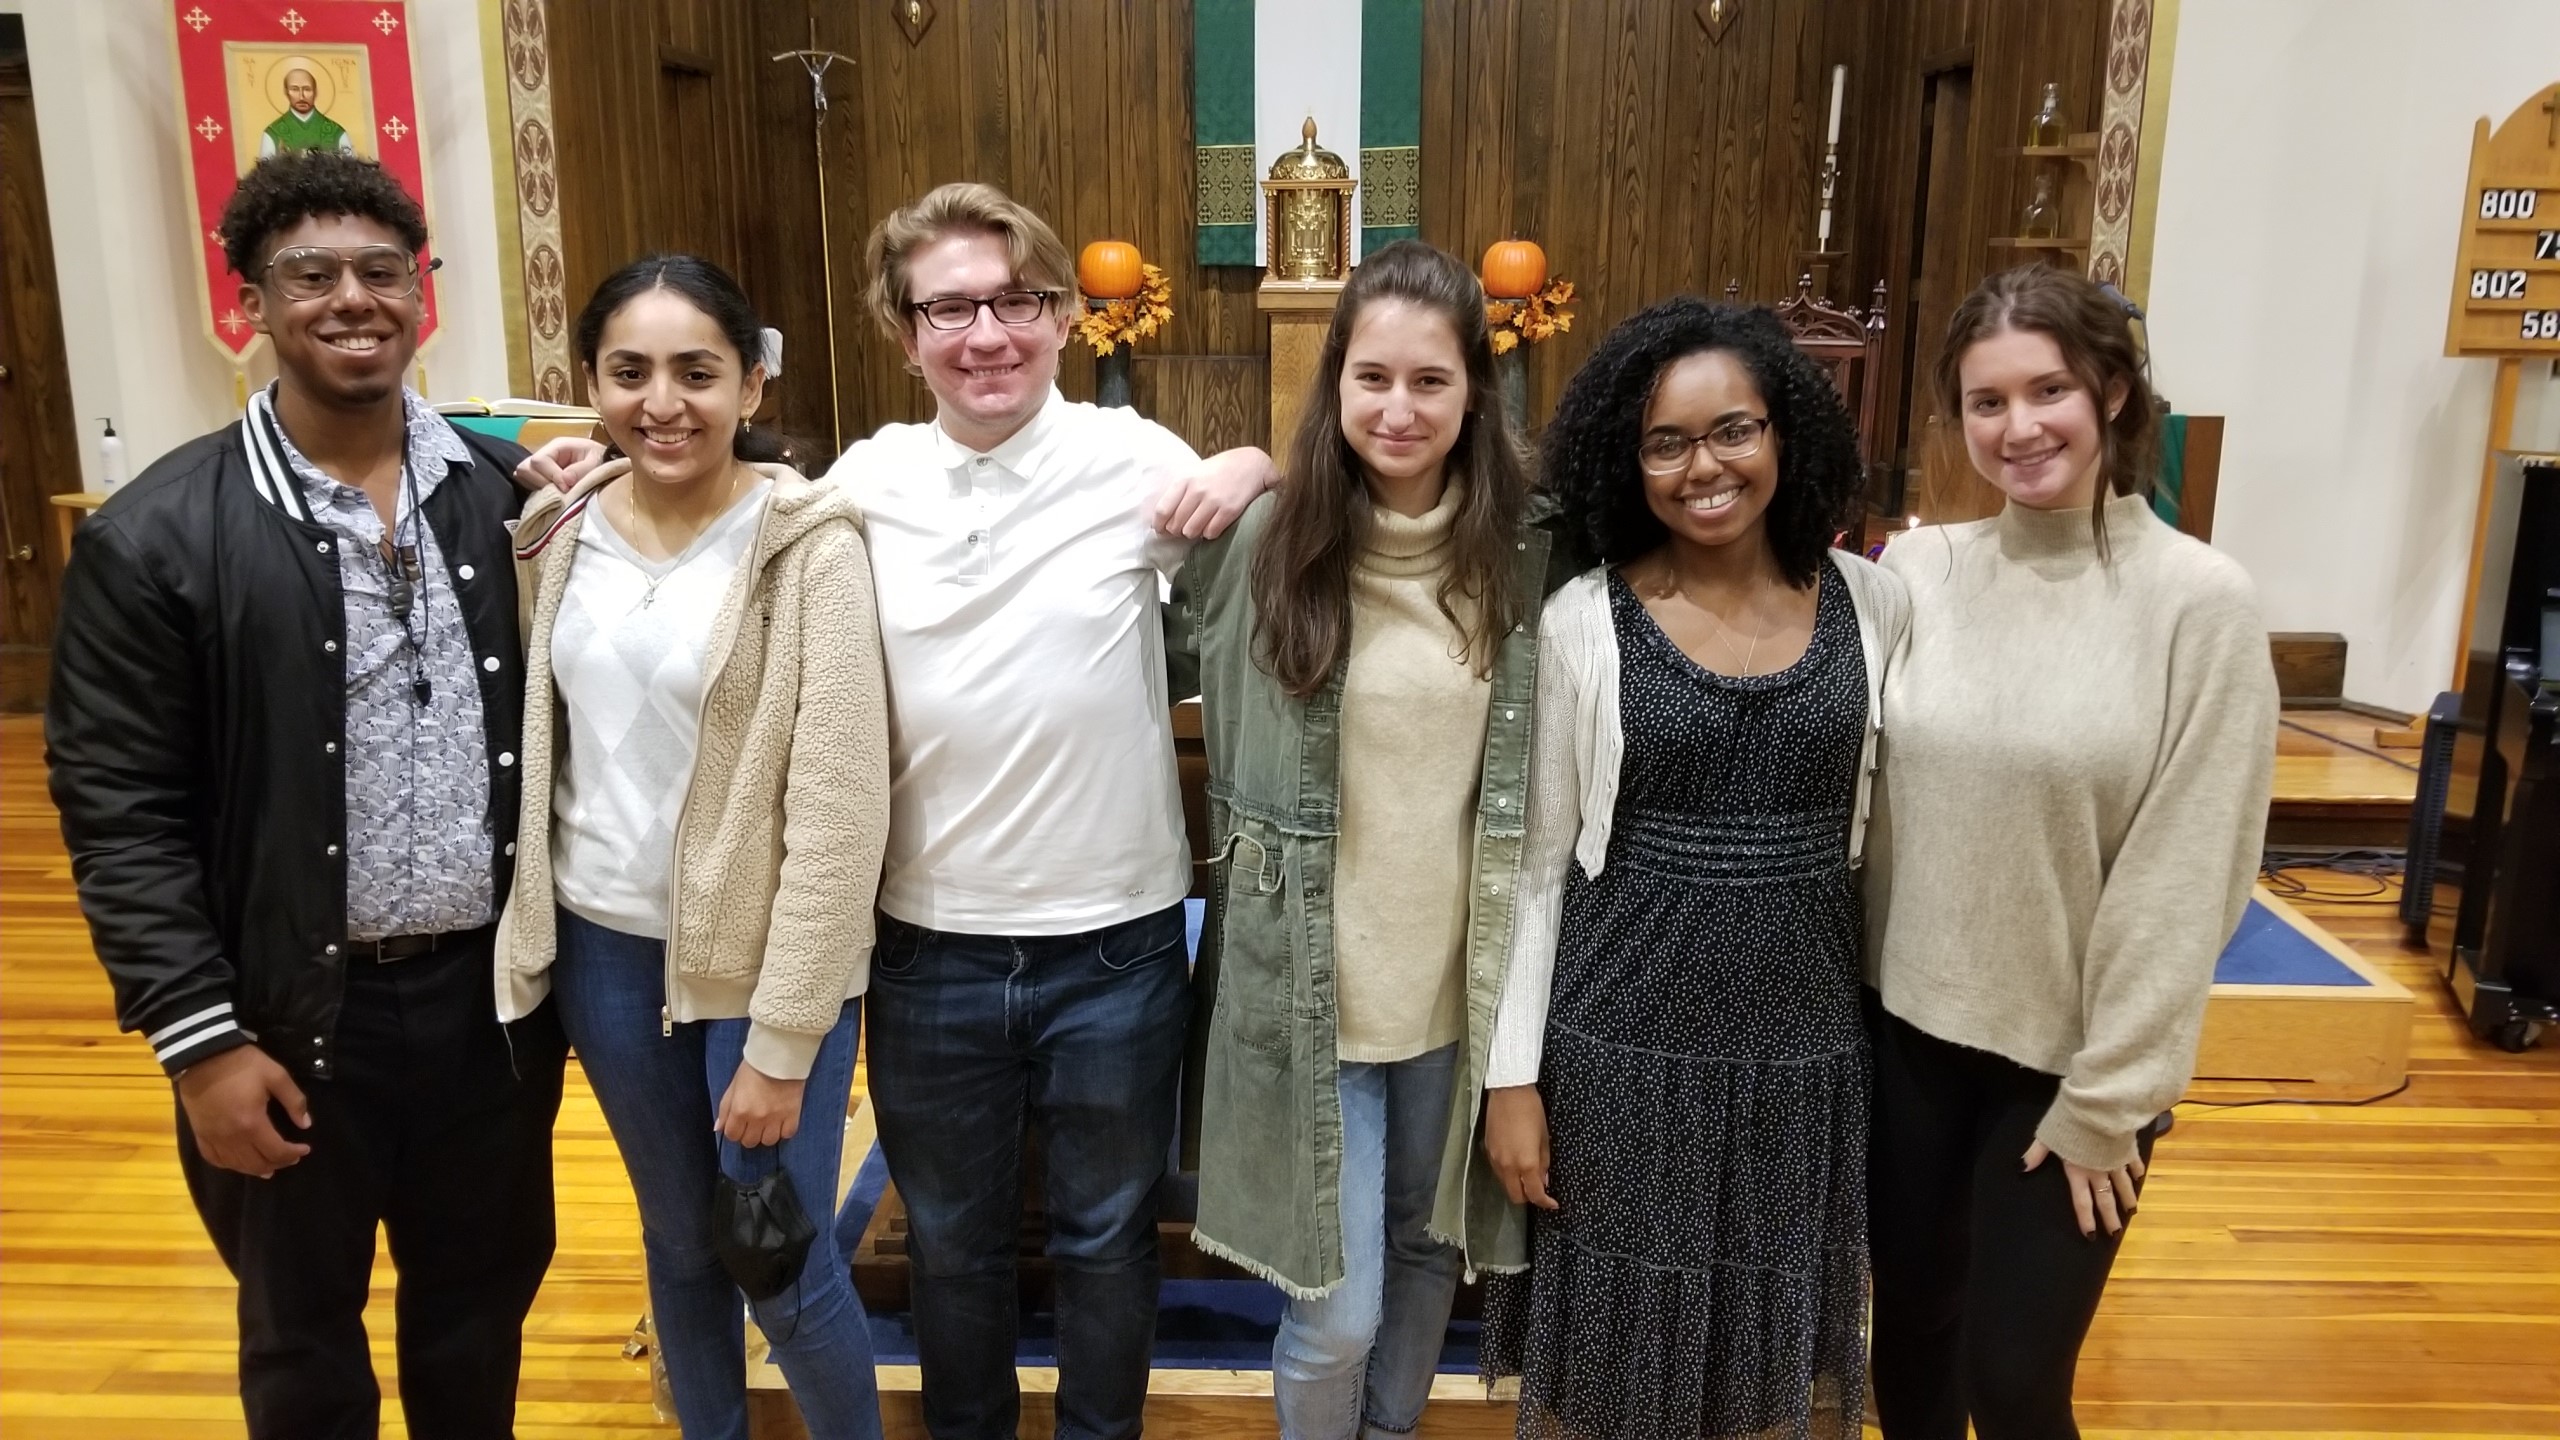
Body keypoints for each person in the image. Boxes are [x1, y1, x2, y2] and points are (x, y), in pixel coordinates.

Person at [520, 181, 1276, 1440]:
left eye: (1017, 303)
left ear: (1060, 318)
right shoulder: (860, 485)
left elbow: (1291, 534)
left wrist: (1258, 459)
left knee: (1104, 1243)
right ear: (905, 330)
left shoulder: (1138, 460)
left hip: (1120, 941)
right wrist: (575, 458)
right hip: (926, 944)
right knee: (952, 1247)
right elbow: (702, 484)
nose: (988, 334)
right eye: (950, 309)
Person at [45, 150, 565, 1439]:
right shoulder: (155, 536)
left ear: (422, 293)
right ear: (254, 308)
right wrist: (201, 1042)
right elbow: (120, 811)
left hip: (486, 1012)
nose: (353, 300)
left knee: (478, 1313)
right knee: (299, 1340)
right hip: (283, 1015)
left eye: (382, 271)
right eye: (311, 275)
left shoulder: (503, 494)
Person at [1477, 298, 1908, 1440]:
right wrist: (1509, 1079)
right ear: (1628, 459)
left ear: (1785, 435)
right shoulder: (1585, 620)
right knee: (1612, 1367)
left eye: (1732, 430)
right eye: (1664, 442)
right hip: (1623, 1046)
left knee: (1765, 1368)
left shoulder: (1876, 604)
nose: (1701, 466)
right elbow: (1531, 870)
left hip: (1800, 1047)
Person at [1861, 265, 2276, 1440]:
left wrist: (2112, 1099)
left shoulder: (2199, 602)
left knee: (2013, 1379)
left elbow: (2189, 873)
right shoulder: (1920, 571)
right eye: (1985, 401)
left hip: (2066, 1068)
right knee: (1914, 1355)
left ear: (2111, 392)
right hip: (1908, 1041)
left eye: (2047, 390)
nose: (2017, 426)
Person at [1166, 239, 1557, 1439]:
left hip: (1457, 985)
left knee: (1429, 1253)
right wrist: (1230, 464)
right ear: (1333, 384)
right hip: (1310, 992)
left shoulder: (1529, 555)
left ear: (1474, 393)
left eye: (1429, 381)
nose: (1399, 407)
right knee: (1335, 1311)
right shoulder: (1261, 543)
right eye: (1372, 377)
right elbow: (1130, 646)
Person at [495, 253, 890, 1440]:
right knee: (675, 1243)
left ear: (752, 387)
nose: (661, 402)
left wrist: (781, 1039)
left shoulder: (808, 544)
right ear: (592, 385)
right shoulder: (554, 531)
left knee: (776, 1250)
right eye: (629, 372)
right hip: (604, 948)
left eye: (695, 372)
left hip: (759, 961)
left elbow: (838, 808)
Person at [260, 66, 356, 157]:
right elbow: (265, 172)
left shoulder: (336, 133)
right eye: (294, 89)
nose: (301, 96)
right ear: (286, 92)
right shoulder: (273, 133)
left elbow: (350, 170)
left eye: (307, 89)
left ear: (315, 92)